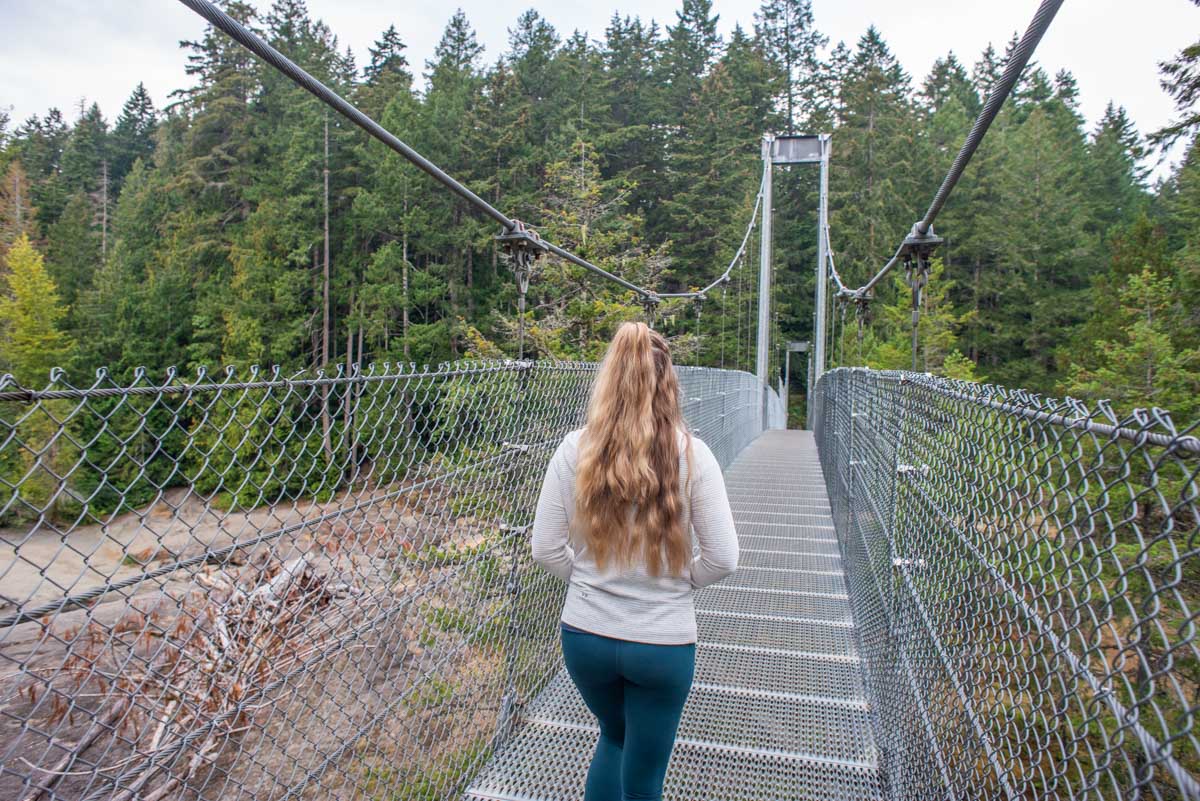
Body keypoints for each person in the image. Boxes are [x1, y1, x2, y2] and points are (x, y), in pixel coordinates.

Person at [531, 321, 738, 801]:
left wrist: (588, 580)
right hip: (662, 646)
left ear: (608, 381)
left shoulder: (573, 449)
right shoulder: (695, 456)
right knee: (644, 777)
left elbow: (544, 547)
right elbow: (724, 558)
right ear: (669, 386)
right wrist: (683, 581)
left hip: (586, 639)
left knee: (614, 737)